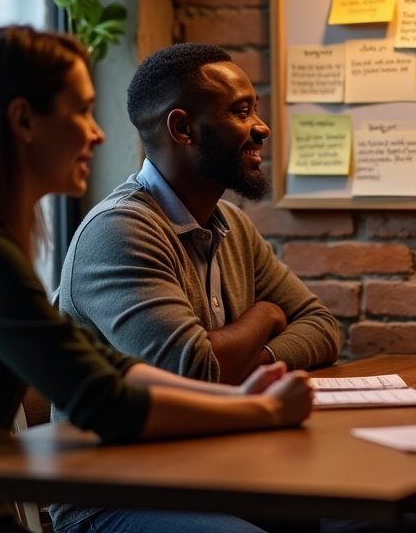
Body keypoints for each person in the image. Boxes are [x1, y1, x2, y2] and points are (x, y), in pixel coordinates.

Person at [0, 27, 312, 533]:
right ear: (23, 121)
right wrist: (260, 413)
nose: (98, 132)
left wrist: (244, 399)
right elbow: (102, 401)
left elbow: (104, 369)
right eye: (81, 111)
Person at [50, 43, 340, 533]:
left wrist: (257, 362)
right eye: (242, 111)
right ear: (182, 128)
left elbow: (323, 327)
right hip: (116, 495)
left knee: (391, 524)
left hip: (224, 471)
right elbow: (194, 370)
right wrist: (264, 316)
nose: (262, 127)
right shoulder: (119, 231)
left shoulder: (231, 224)